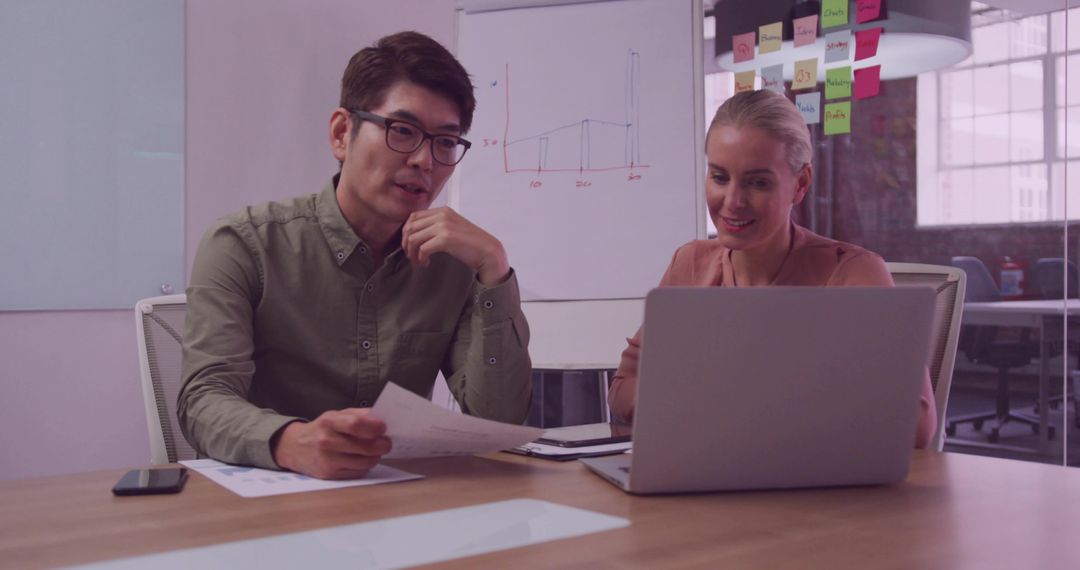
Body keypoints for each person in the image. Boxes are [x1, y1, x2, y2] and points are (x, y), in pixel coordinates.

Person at [179, 31, 532, 479]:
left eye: (445, 142)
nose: (425, 160)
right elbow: (202, 401)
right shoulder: (243, 245)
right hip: (270, 507)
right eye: (403, 131)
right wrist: (292, 442)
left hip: (397, 507)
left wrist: (494, 269)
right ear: (342, 133)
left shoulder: (455, 262)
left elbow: (498, 425)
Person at [608, 89, 936, 449]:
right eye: (720, 177)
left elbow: (916, 424)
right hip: (710, 474)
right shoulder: (690, 264)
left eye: (758, 183)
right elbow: (623, 390)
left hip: (818, 493)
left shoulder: (854, 275)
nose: (733, 202)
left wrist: (720, 399)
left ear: (801, 183)